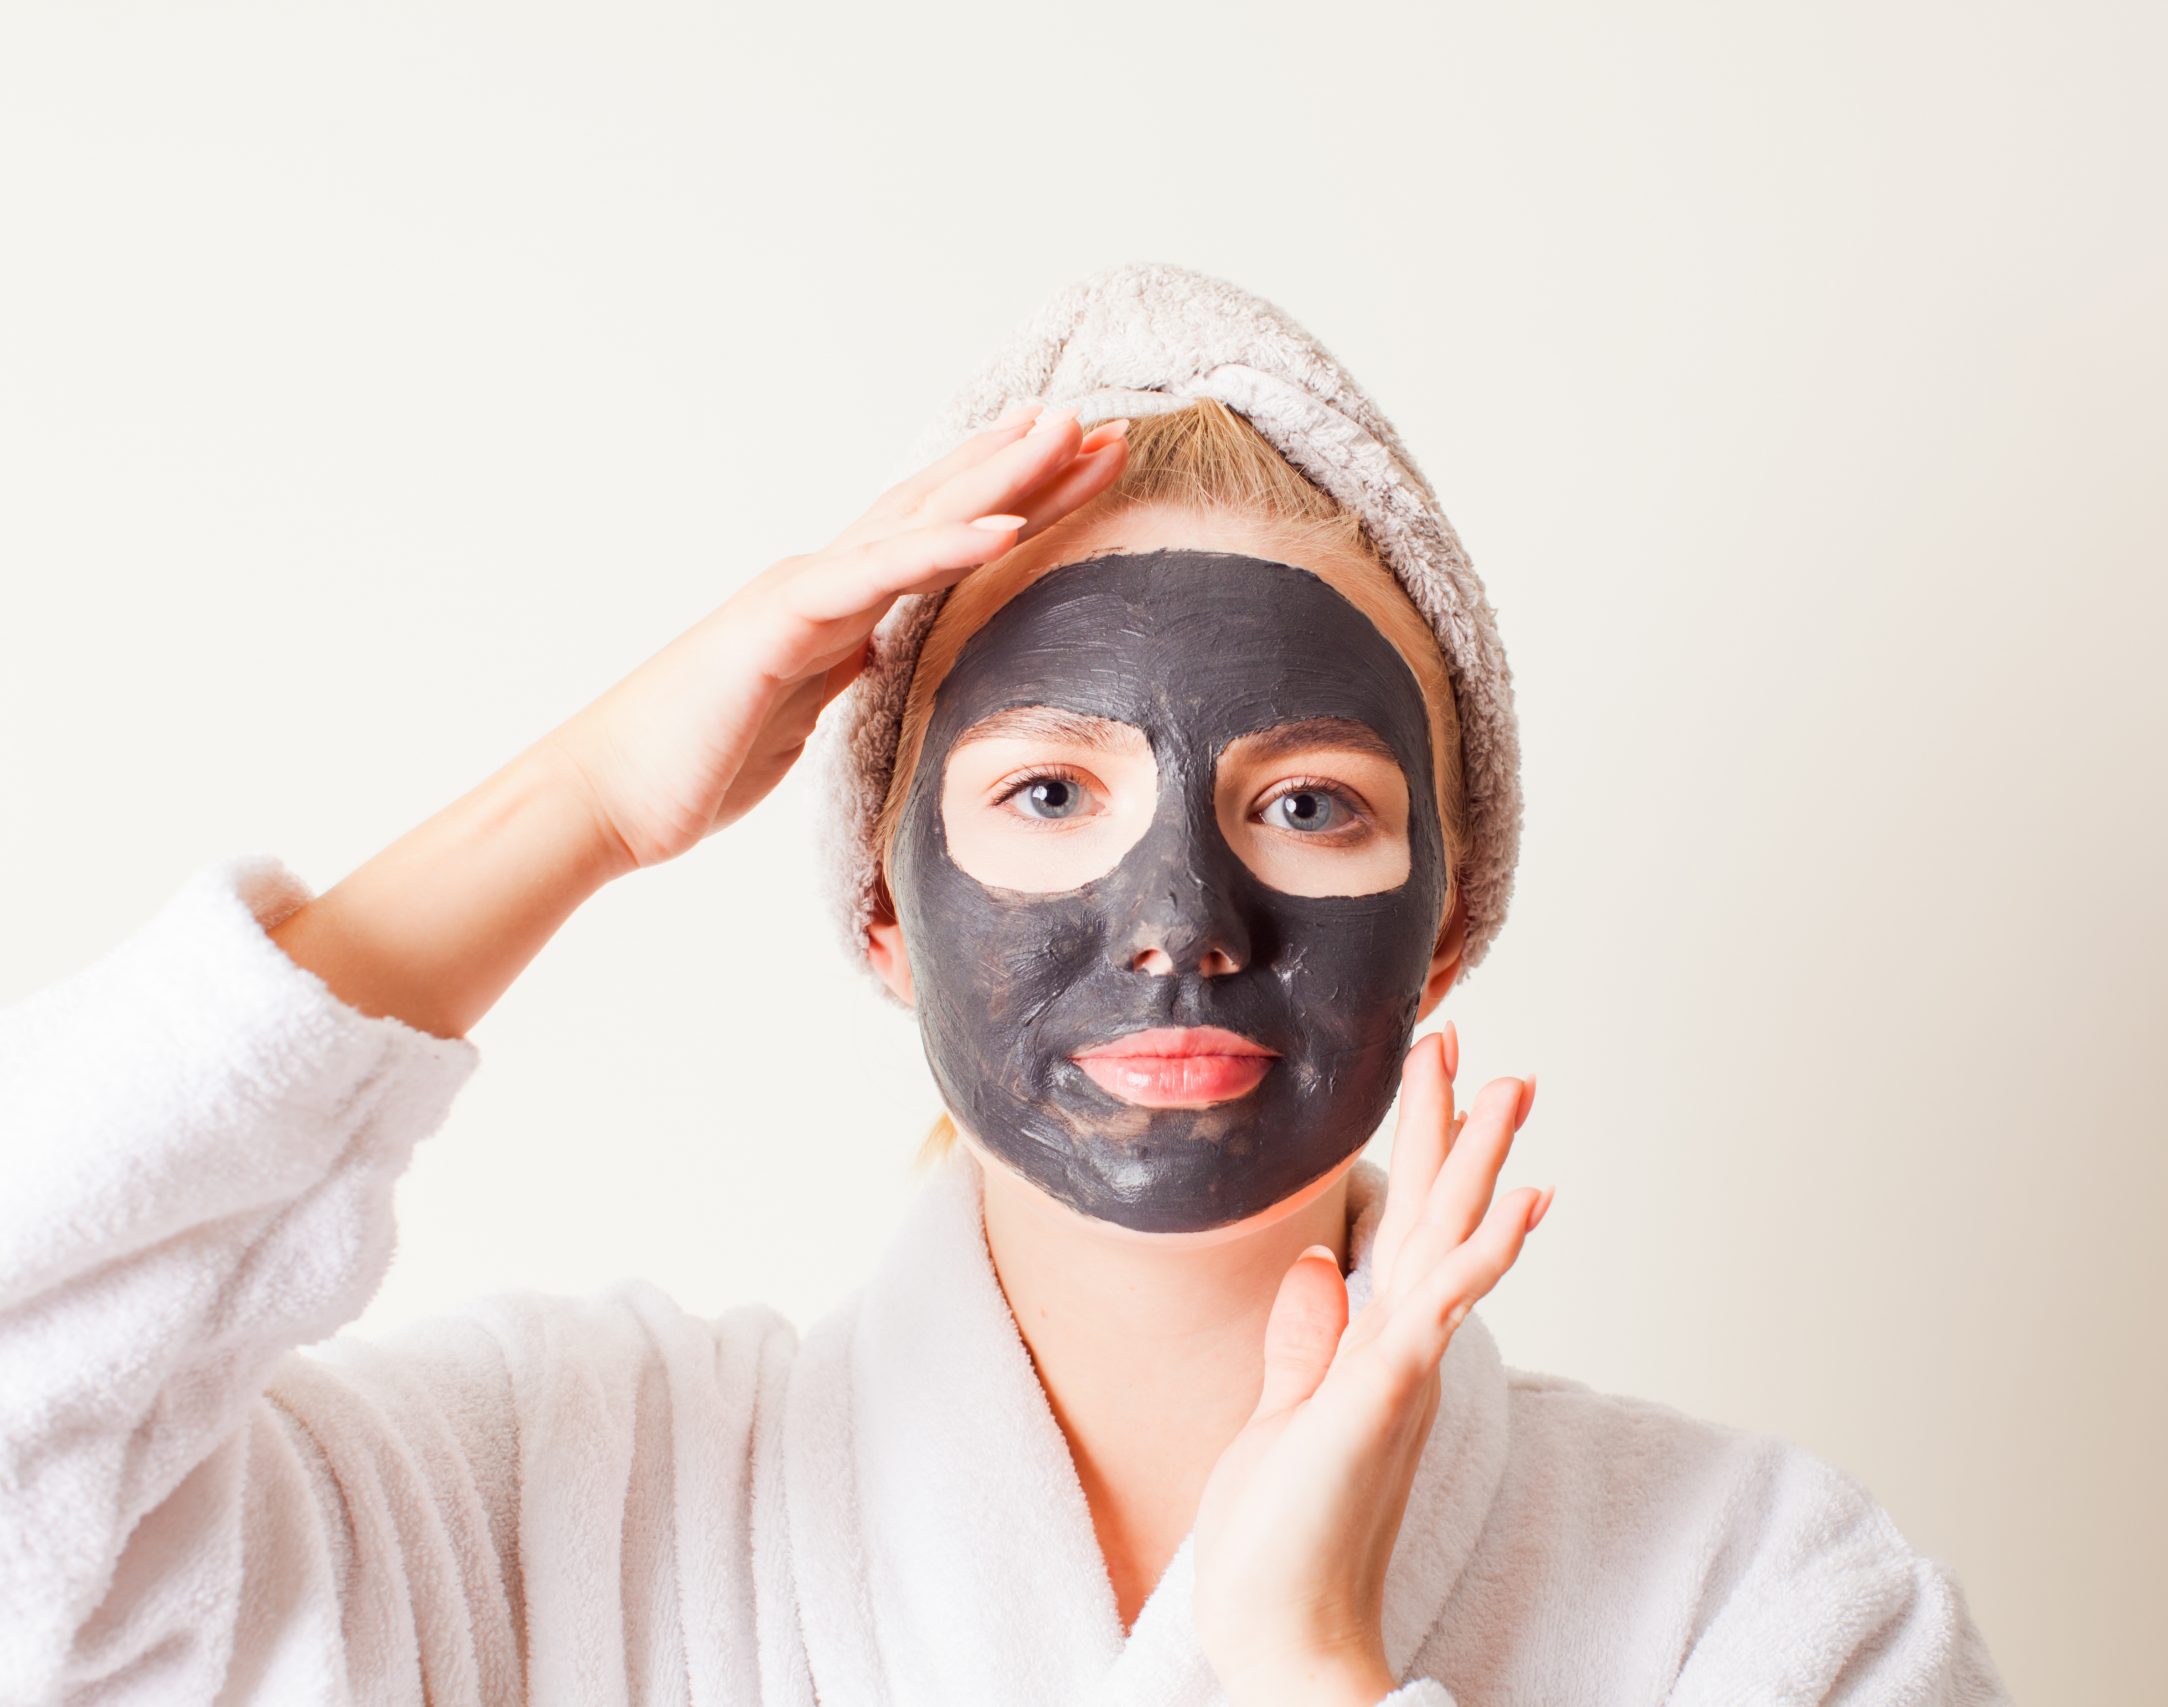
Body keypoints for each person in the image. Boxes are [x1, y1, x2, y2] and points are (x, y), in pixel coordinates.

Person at [0, 264, 2011, 1705]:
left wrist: (1305, 1662)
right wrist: (586, 798)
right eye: (1048, 787)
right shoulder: (547, 1501)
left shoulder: (1755, 1603)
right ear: (884, 910)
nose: (1177, 917)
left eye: (1305, 800)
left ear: (1450, 903)